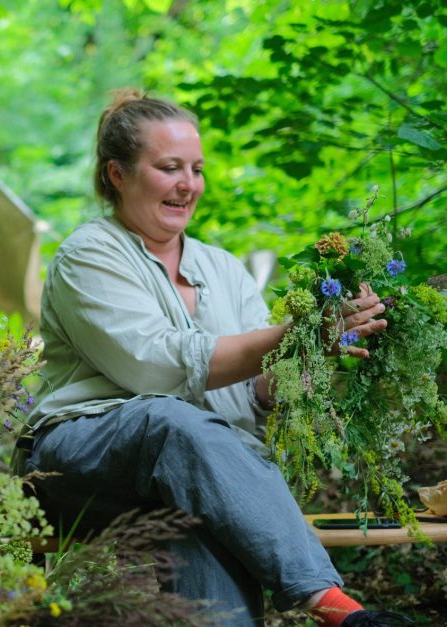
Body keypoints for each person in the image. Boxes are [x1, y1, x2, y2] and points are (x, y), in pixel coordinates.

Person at [20, 89, 408, 626]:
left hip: (185, 473)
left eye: (197, 169)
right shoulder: (88, 255)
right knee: (170, 421)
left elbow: (257, 391)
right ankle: (335, 607)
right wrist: (286, 334)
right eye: (169, 167)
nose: (189, 184)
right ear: (117, 174)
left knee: (195, 509)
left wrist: (314, 349)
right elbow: (153, 368)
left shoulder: (222, 267)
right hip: (75, 462)